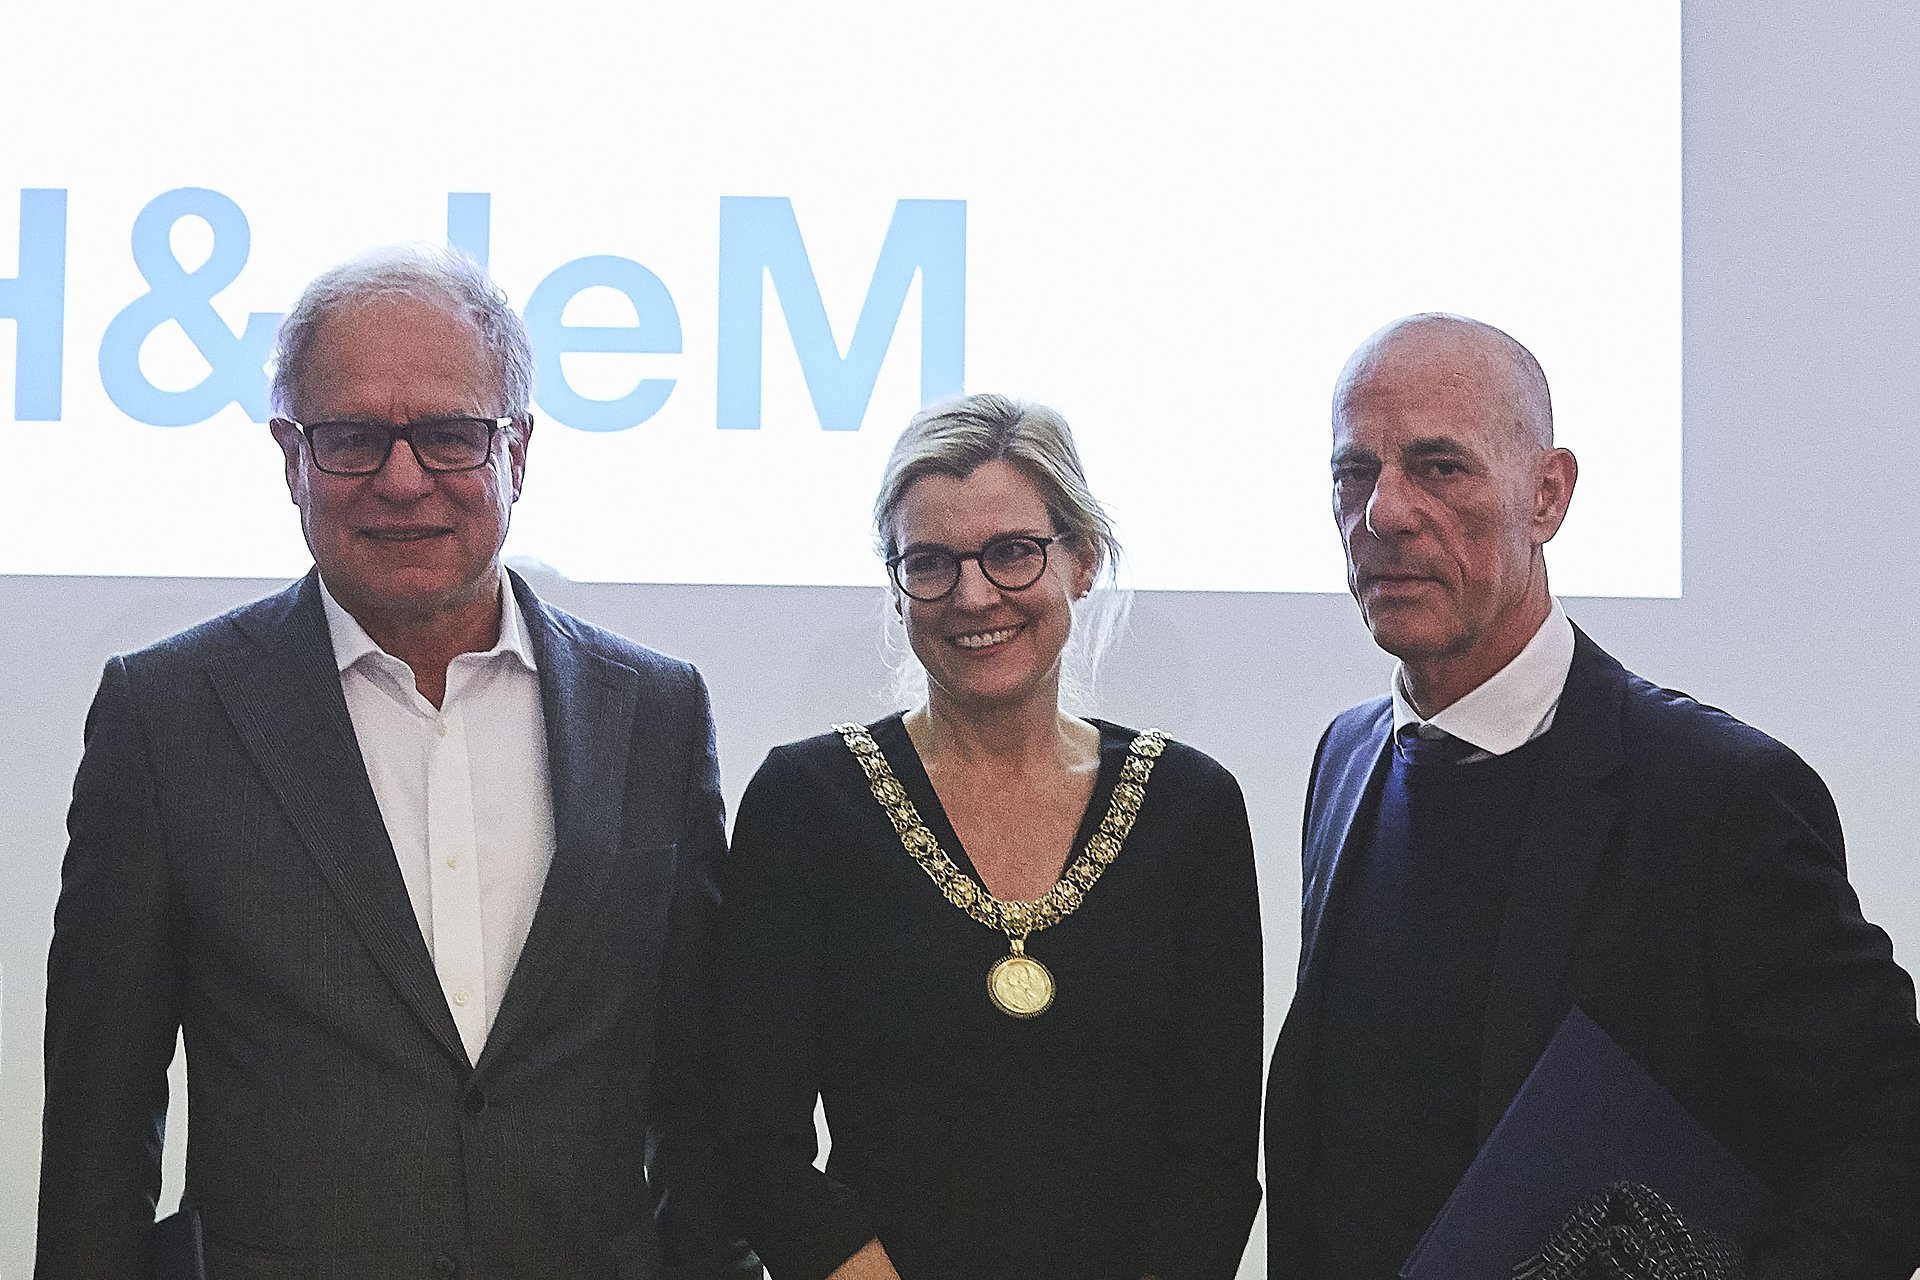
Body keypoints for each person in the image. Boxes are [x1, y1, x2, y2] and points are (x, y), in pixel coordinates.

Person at [38, 247, 756, 1280]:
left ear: (519, 451)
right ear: (290, 454)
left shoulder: (654, 713)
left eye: (452, 435)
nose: (403, 477)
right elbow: (99, 1135)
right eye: (353, 437)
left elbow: (703, 1105)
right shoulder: (166, 716)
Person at [1264, 313, 1920, 1279]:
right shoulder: (1347, 756)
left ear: (1548, 494)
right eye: (1353, 472)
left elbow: (1888, 1140)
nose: (1384, 513)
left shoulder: (1721, 796)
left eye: (1440, 467)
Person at [715, 394, 1263, 1280]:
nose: (973, 596)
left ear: (1082, 561)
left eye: (1013, 553)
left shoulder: (1190, 807)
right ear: (897, 589)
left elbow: (1214, 1157)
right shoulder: (806, 801)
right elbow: (753, 1142)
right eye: (930, 563)